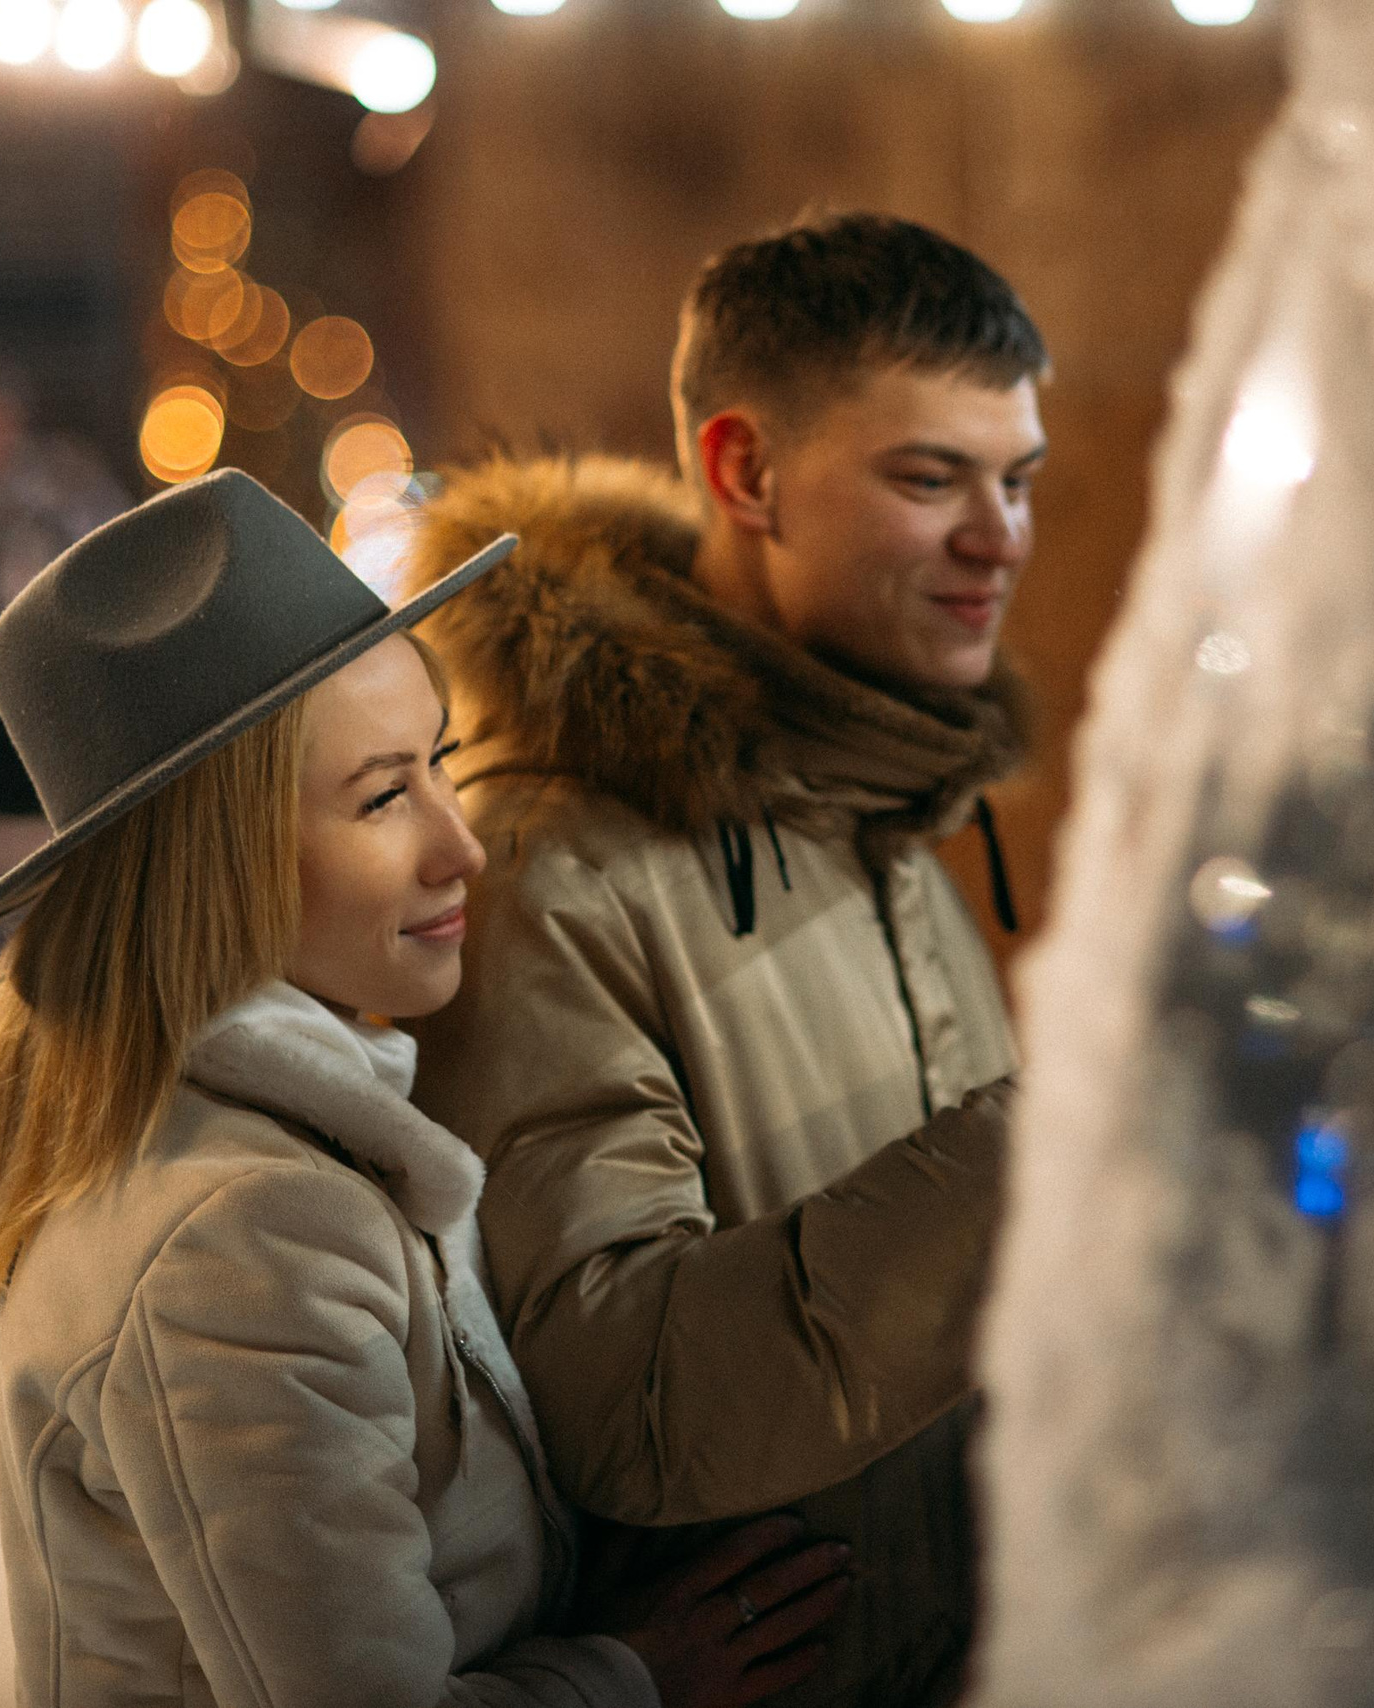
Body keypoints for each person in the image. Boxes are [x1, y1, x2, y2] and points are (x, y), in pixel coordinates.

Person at [0, 469, 850, 1708]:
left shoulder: (292, 1147)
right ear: (221, 865)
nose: (457, 841)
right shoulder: (240, 1239)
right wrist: (638, 1673)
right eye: (380, 795)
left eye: (440, 763)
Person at [404, 213, 1047, 1707]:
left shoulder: (890, 809)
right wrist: (1050, 1149)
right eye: (929, 475)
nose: (999, 537)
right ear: (747, 473)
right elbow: (623, 1401)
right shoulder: (554, 864)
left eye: (1017, 480)